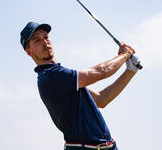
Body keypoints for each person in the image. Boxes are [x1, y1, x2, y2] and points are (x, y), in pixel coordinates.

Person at [20, 22, 139, 150]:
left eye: (46, 37)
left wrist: (130, 71)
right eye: (37, 40)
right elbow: (103, 71)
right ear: (29, 52)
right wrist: (125, 55)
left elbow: (101, 99)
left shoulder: (62, 77)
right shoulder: (51, 76)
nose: (45, 42)